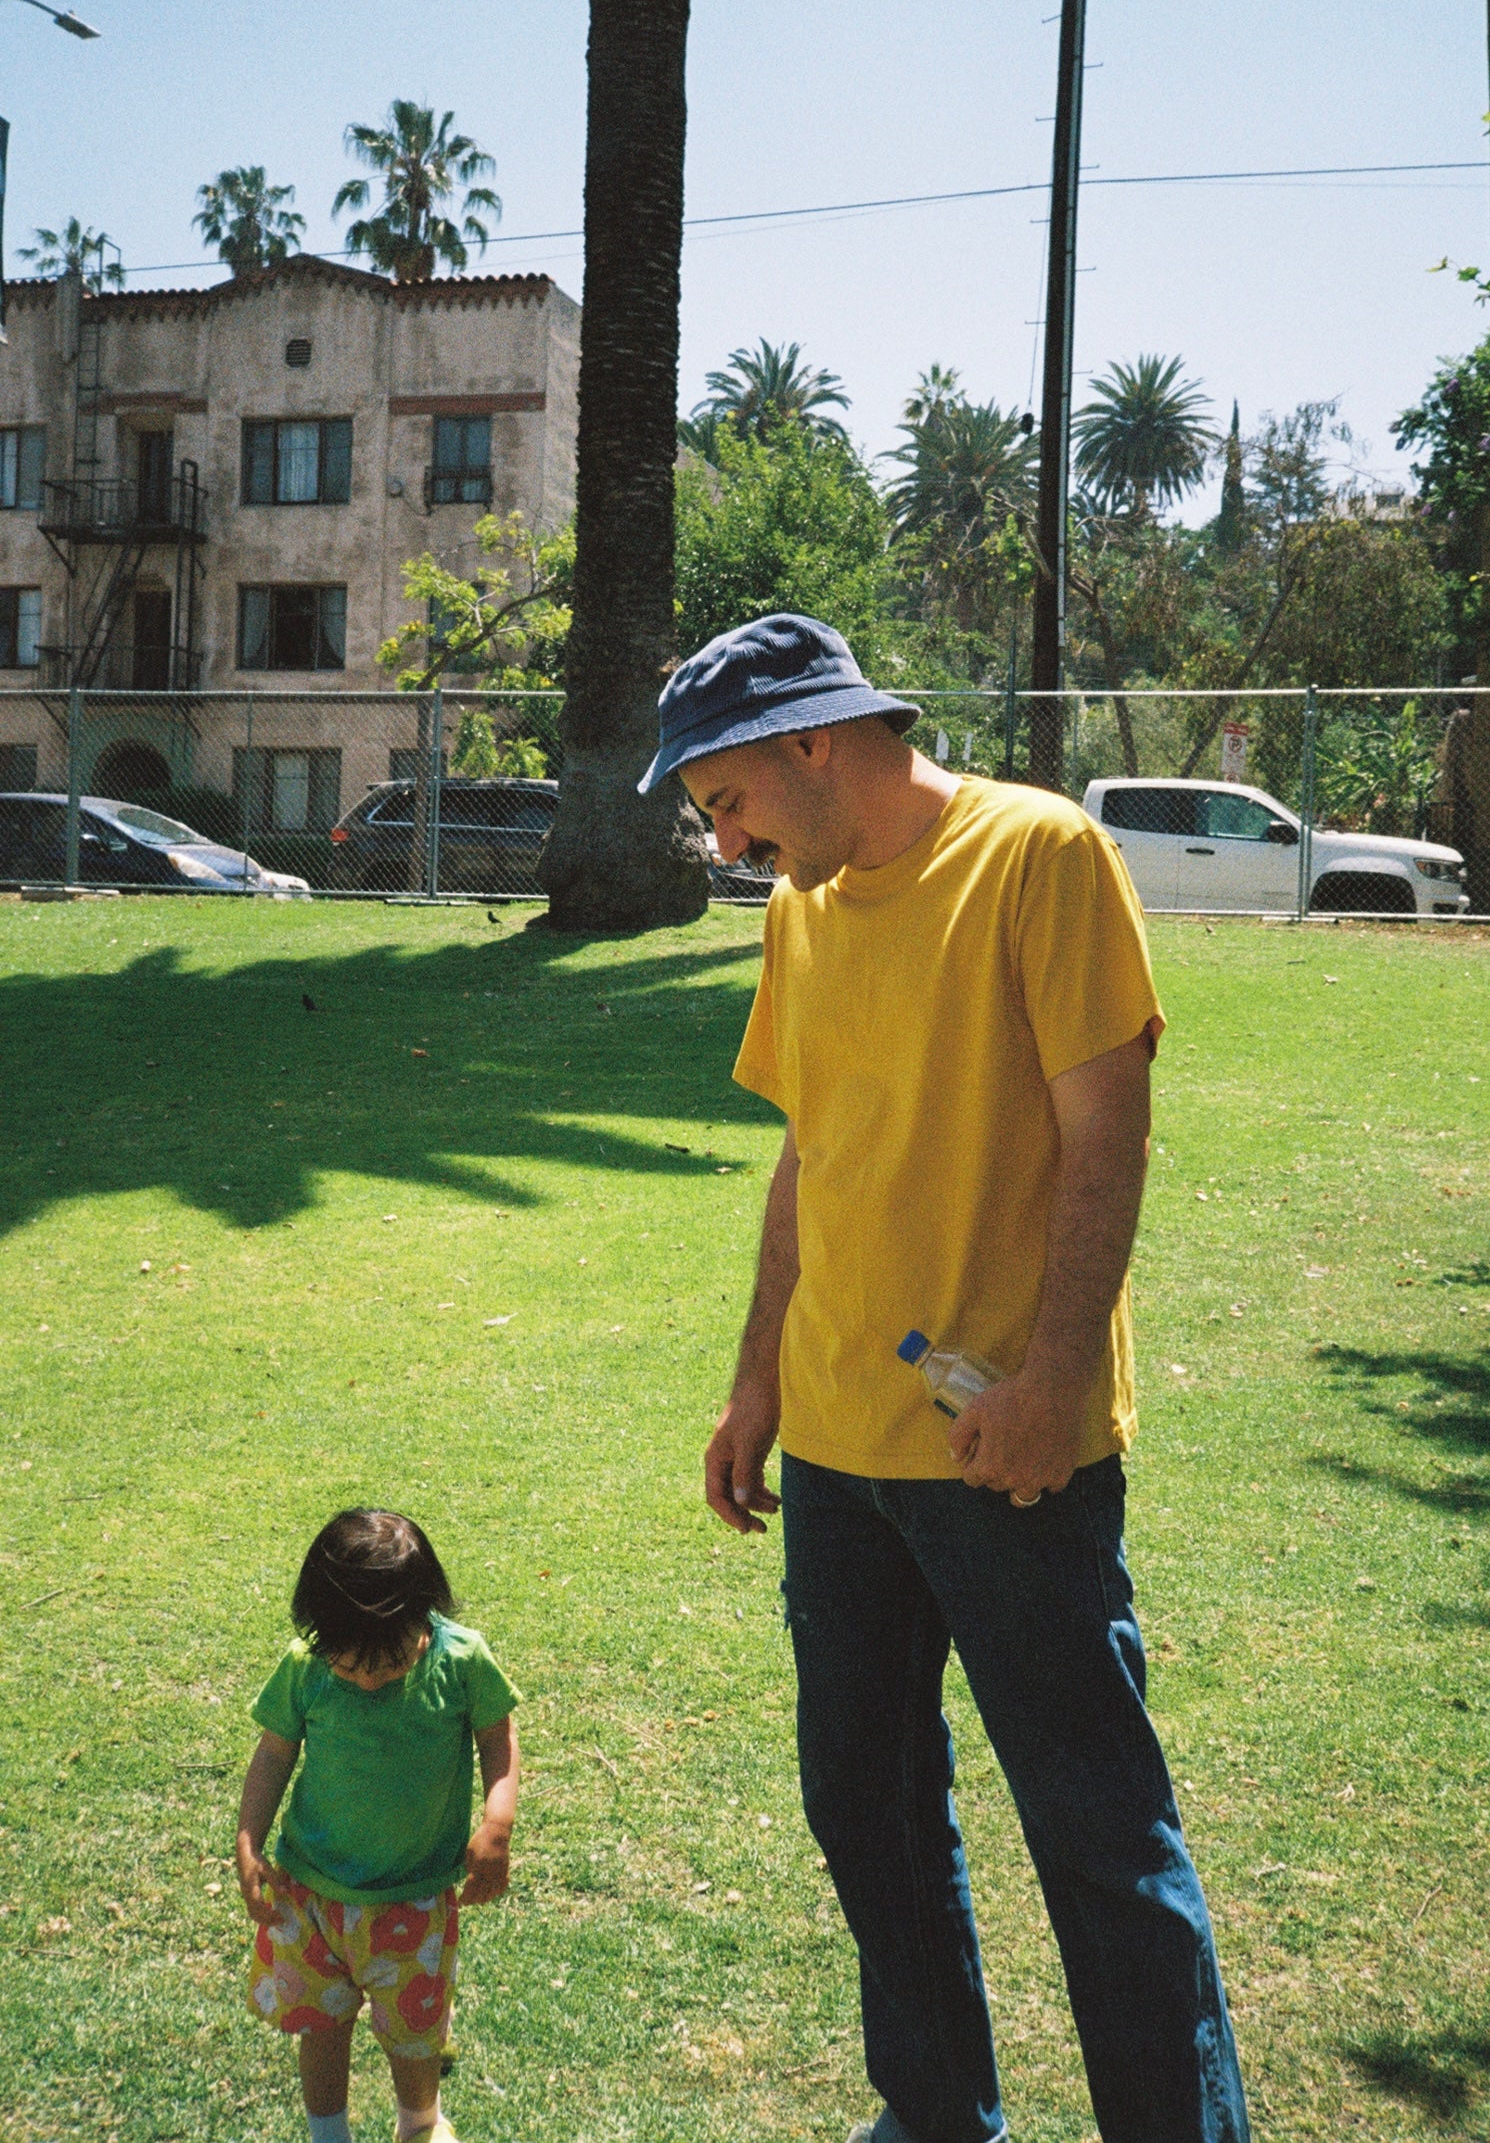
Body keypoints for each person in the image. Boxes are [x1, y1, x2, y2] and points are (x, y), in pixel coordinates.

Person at [639, 614, 1249, 2143]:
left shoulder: (1036, 855)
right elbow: (806, 1154)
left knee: (1095, 1828)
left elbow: (1106, 1132)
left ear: (811, 739)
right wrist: (753, 1379)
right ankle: (932, 2107)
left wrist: (1051, 1376)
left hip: (1003, 1448)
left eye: (725, 799)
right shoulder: (804, 901)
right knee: (867, 1801)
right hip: (840, 1447)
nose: (724, 839)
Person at [235, 1510, 519, 2143]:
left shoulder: (461, 1660)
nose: (366, 1679)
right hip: (311, 1894)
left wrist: (497, 1821)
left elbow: (497, 1738)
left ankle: (419, 2123)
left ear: (422, 1621)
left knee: (415, 2035)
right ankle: (327, 2133)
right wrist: (248, 1841)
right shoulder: (305, 1666)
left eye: (386, 1662)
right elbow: (274, 1754)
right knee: (322, 2026)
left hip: (414, 1898)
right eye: (349, 1663)